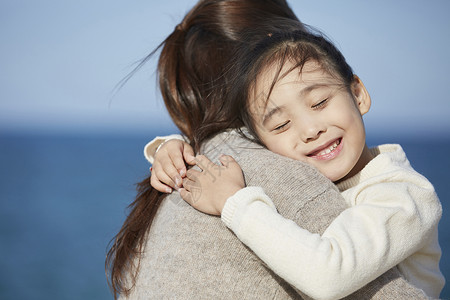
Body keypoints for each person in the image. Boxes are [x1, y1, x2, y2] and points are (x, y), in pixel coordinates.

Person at [106, 1, 434, 299]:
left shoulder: (403, 194)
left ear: (358, 93)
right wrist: (169, 148)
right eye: (280, 126)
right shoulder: (291, 164)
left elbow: (329, 275)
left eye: (319, 102)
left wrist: (234, 202)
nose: (310, 129)